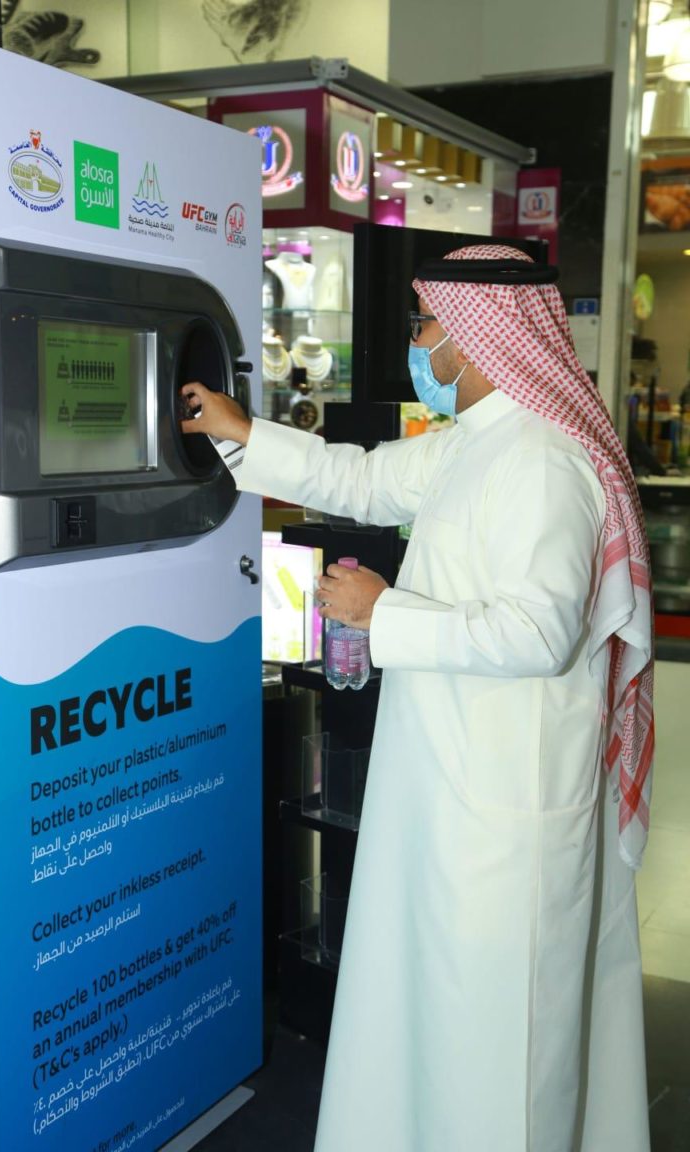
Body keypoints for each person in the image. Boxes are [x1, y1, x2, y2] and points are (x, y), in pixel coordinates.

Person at [181, 243, 654, 1152]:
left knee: (504, 1049)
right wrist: (241, 430)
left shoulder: (545, 464)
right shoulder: (477, 444)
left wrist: (381, 611)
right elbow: (358, 478)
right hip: (454, 792)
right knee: (443, 1029)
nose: (420, 343)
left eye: (426, 325)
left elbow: (538, 632)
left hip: (505, 813)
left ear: (479, 340)